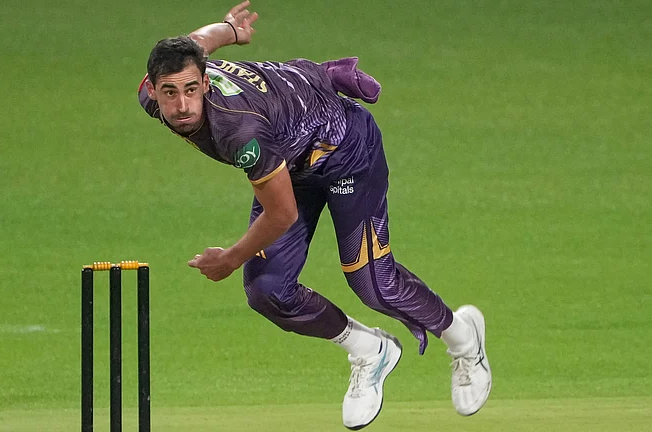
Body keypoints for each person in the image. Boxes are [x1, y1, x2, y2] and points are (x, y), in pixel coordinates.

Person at [138, 1, 491, 429]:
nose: (181, 106)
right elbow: (195, 42)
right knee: (268, 290)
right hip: (288, 160)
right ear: (152, 88)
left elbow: (282, 213)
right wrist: (229, 29)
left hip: (345, 151)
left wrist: (229, 259)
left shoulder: (239, 130)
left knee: (371, 282)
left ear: (206, 83)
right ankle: (370, 351)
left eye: (191, 90)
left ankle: (464, 339)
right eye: (170, 92)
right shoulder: (161, 90)